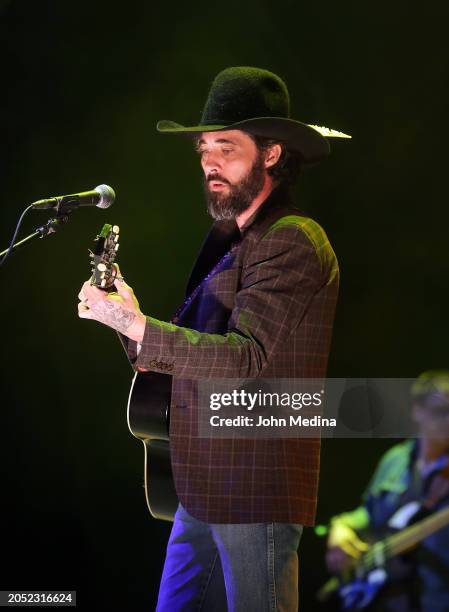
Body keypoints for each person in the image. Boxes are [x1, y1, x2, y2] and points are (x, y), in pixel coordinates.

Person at [78, 66, 344, 611]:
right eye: (204, 149)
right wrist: (126, 320)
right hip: (200, 485)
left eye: (226, 147)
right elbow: (193, 353)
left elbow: (246, 357)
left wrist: (138, 327)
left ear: (271, 154)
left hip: (254, 487)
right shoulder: (231, 241)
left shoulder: (293, 238)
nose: (209, 162)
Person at [325, 370, 449, 612]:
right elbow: (368, 514)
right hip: (387, 601)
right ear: (417, 411)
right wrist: (341, 528)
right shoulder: (395, 459)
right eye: (441, 412)